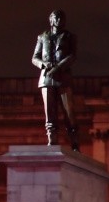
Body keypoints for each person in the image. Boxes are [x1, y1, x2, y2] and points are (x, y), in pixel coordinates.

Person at [32, 9, 79, 149]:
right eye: (56, 18)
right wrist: (44, 64)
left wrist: (58, 67)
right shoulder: (42, 37)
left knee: (69, 113)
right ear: (51, 20)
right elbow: (35, 57)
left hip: (63, 77)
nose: (59, 20)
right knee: (50, 112)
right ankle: (52, 138)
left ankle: (74, 141)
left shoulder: (70, 37)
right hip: (46, 78)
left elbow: (72, 56)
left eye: (61, 18)